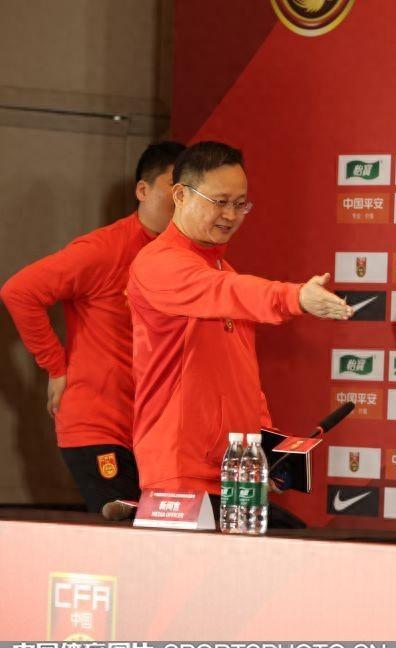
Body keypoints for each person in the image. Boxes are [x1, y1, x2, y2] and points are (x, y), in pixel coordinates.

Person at [127, 141, 353, 497]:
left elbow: (242, 376)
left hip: (236, 471)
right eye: (220, 202)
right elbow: (226, 291)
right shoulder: (158, 264)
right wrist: (294, 297)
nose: (230, 215)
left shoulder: (222, 269)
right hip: (180, 471)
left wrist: (263, 448)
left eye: (239, 204)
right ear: (181, 195)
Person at [0, 141, 185, 512]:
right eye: (175, 187)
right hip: (100, 426)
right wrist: (55, 366)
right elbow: (20, 292)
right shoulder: (105, 248)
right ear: (143, 190)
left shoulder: (189, 257)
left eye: (192, 190)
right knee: (125, 526)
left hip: (156, 433)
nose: (184, 199)